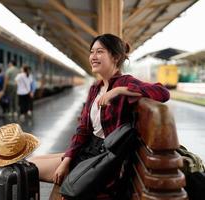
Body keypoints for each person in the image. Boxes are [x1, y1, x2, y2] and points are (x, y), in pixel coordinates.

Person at [28, 33, 170, 198]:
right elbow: (83, 130)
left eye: (100, 52)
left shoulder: (124, 82)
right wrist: (66, 161)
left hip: (103, 162)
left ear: (115, 57)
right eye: (92, 52)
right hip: (89, 151)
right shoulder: (95, 88)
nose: (93, 57)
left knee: (28, 169)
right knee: (32, 162)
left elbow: (163, 92)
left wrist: (119, 91)